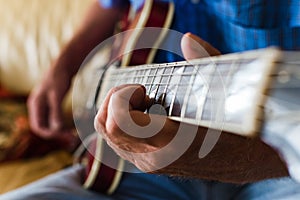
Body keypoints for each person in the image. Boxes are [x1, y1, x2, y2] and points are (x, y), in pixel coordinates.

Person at [1, 0, 300, 199]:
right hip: (135, 162)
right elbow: (111, 4)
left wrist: (254, 159)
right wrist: (62, 68)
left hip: (278, 161)